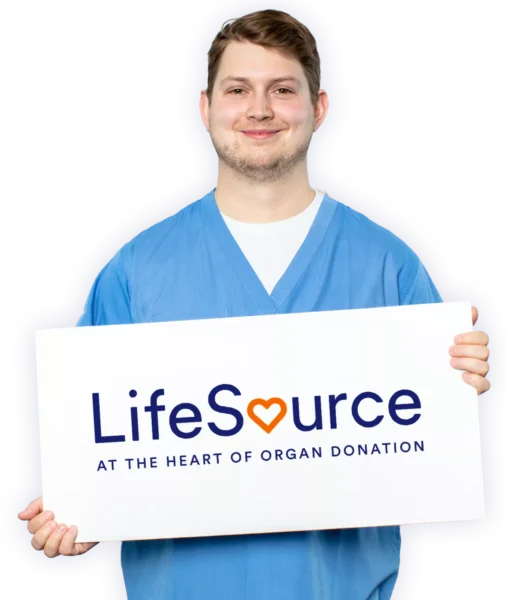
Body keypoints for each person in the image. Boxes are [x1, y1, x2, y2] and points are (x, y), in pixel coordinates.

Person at [17, 8, 492, 600]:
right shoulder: (135, 272)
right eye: (238, 90)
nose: (260, 109)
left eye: (282, 90)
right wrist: (81, 513)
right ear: (204, 108)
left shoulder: (388, 264)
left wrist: (459, 380)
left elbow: (426, 445)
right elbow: (90, 444)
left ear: (318, 108)